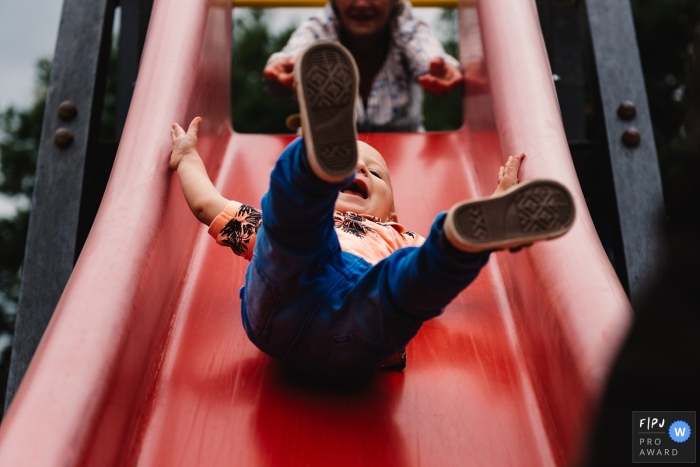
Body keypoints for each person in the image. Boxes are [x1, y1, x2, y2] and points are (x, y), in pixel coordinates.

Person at [170, 42, 575, 378]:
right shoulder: (303, 227)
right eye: (348, 163)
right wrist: (188, 159)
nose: (361, 170)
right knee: (289, 225)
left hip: (351, 312)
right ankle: (312, 164)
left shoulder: (398, 237)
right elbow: (208, 204)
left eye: (374, 173)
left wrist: (494, 204)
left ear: (392, 215)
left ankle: (460, 241)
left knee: (412, 278)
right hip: (304, 298)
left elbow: (419, 268)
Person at [263, 0, 465, 132]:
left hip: (402, 144)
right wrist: (289, 68)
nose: (361, 3)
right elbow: (301, 49)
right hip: (329, 146)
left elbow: (422, 48)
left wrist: (437, 68)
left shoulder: (405, 26)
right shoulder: (322, 27)